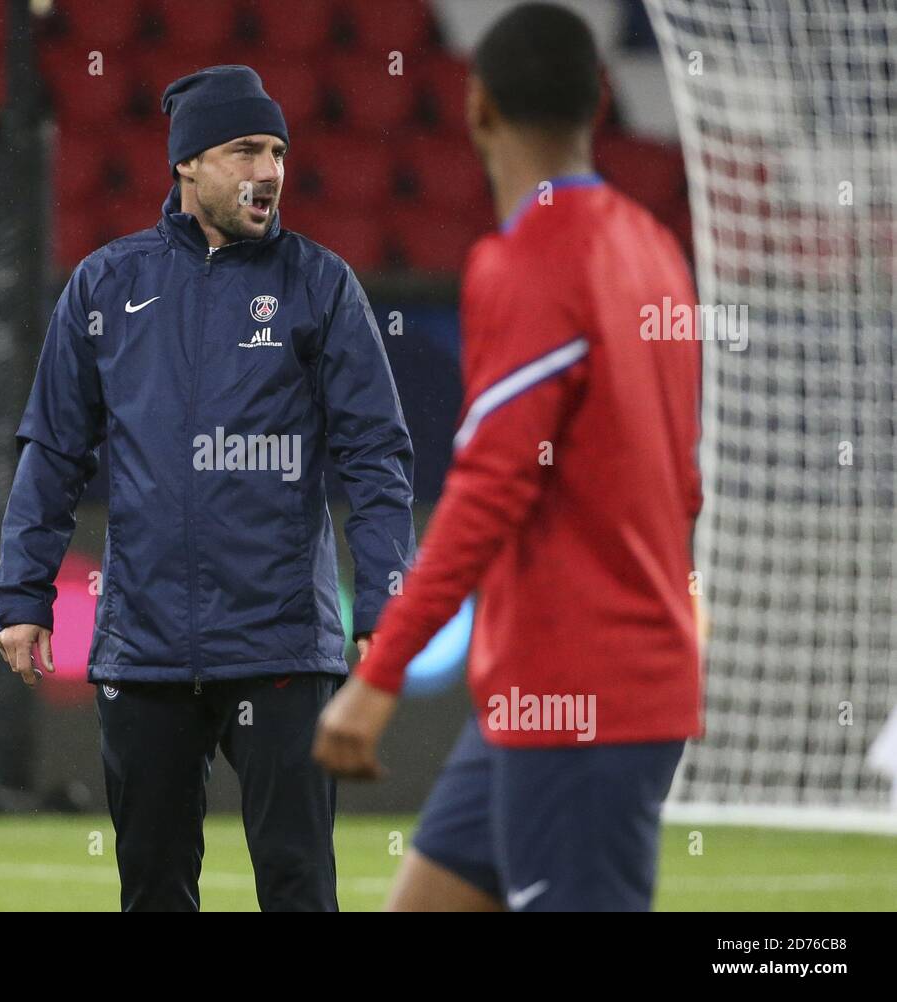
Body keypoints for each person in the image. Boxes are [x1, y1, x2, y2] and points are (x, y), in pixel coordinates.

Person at [0, 65, 415, 912]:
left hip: (282, 643)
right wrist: (21, 591)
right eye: (244, 149)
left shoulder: (320, 284)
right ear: (187, 164)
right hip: (144, 645)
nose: (269, 170)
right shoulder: (106, 286)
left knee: (298, 884)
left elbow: (376, 453)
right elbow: (53, 449)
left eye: (278, 152)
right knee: (152, 887)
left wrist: (384, 604)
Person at [313, 2, 704, 912]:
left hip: (582, 695)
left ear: (476, 103)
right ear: (601, 100)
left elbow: (491, 490)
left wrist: (378, 678)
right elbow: (683, 479)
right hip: (554, 694)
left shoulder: (524, 262)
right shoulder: (656, 253)